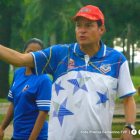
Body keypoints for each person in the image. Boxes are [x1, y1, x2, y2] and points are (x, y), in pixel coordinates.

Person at [0, 5, 136, 140]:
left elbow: (128, 99)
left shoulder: (117, 60)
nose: (82, 31)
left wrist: (129, 127)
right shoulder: (60, 54)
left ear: (101, 29)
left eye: (88, 26)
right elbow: (19, 59)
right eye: (78, 26)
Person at [0, 38, 52, 140]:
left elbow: (43, 113)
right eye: (29, 52)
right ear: (23, 53)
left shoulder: (43, 79)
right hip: (17, 135)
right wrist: (2, 128)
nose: (32, 56)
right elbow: (13, 103)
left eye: (37, 53)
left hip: (36, 137)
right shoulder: (18, 73)